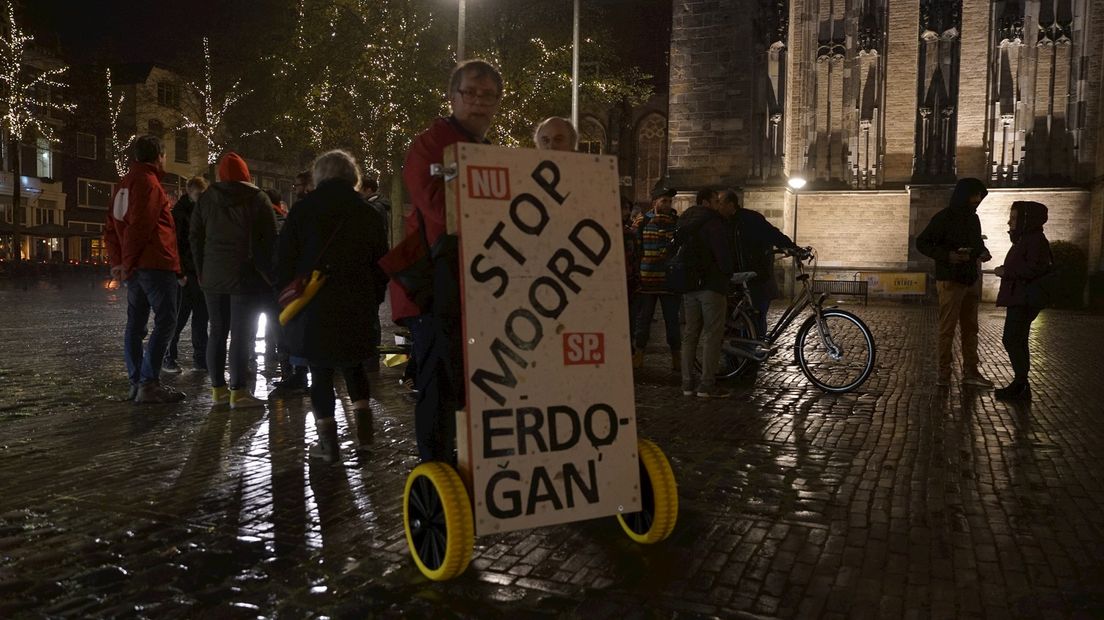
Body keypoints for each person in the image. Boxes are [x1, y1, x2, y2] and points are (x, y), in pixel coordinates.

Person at [390, 59, 502, 462]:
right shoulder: (430, 143)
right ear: (453, 97)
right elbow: (441, 210)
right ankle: (437, 470)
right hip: (437, 286)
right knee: (438, 380)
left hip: (480, 285)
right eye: (469, 92)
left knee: (480, 381)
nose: (478, 101)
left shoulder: (489, 151)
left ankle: (475, 464)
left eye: (487, 95)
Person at [278, 150, 389, 462]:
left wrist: (288, 294)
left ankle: (328, 446)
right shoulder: (367, 213)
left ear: (319, 176)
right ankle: (366, 440)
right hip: (357, 302)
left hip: (315, 304)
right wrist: (373, 297)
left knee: (320, 372)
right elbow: (381, 263)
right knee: (355, 368)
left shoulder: (303, 211)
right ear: (352, 177)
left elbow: (283, 259)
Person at [191, 152, 277, 409]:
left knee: (216, 331)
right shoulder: (258, 198)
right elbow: (269, 240)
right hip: (245, 276)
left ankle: (217, 389)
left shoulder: (206, 199)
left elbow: (194, 237)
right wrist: (268, 274)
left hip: (212, 276)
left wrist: (201, 270)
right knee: (241, 335)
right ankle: (238, 392)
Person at [104, 135, 186, 404]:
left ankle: (137, 381)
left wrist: (119, 262)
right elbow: (142, 226)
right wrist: (127, 263)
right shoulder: (149, 183)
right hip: (155, 263)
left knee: (136, 324)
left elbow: (112, 228)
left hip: (136, 267)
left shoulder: (122, 185)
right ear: (159, 156)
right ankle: (149, 383)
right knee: (166, 320)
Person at [917, 178, 994, 388]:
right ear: (964, 195)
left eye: (979, 197)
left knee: (971, 329)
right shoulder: (943, 218)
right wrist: (947, 256)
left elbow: (976, 242)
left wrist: (982, 252)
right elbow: (922, 243)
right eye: (974, 196)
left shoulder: (973, 219)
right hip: (950, 280)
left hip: (970, 279)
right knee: (947, 329)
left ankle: (971, 372)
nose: (977, 200)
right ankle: (944, 373)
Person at [678, 189, 735, 398]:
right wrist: (728, 274)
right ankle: (706, 384)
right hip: (711, 285)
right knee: (712, 335)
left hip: (688, 285)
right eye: (716, 200)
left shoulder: (684, 221)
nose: (718, 204)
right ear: (706, 203)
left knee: (690, 334)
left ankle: (686, 383)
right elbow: (723, 255)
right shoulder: (713, 223)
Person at [993, 201, 1052, 401]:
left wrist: (1006, 271)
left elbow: (1035, 268)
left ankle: (1021, 384)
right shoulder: (1025, 239)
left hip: (1024, 298)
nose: (1010, 221)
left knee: (1012, 339)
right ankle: (1020, 384)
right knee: (1017, 339)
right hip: (1019, 296)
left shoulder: (1034, 240)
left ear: (1026, 220)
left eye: (1015, 218)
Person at [722, 189, 800, 338]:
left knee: (757, 315)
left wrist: (792, 248)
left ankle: (755, 351)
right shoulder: (723, 223)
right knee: (739, 319)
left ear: (730, 204)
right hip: (738, 278)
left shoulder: (750, 219)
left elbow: (772, 233)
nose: (718, 206)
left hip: (757, 276)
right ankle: (742, 355)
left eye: (720, 203)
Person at [632, 183, 681, 371]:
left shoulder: (677, 223)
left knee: (672, 321)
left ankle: (676, 357)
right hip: (647, 280)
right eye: (664, 201)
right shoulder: (642, 222)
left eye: (669, 201)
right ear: (655, 202)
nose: (668, 204)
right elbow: (636, 249)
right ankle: (639, 355)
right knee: (643, 321)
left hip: (669, 282)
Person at [163, 176, 210, 374]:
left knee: (199, 316)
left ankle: (199, 358)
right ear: (190, 192)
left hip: (197, 273)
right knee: (181, 317)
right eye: (199, 195)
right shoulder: (181, 214)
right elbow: (175, 246)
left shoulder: (193, 212)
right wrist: (179, 273)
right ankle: (170, 357)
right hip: (188, 274)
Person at [360, 177, 391, 372]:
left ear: (368, 189)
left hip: (372, 269)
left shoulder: (375, 208)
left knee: (371, 315)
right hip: (374, 268)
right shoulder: (376, 207)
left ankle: (371, 360)